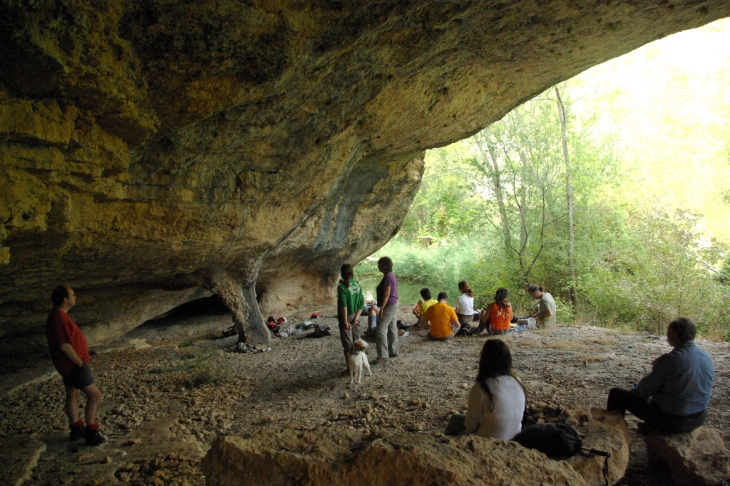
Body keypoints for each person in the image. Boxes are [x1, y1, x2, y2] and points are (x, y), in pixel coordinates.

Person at [606, 317, 714, 434]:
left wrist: (636, 389)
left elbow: (642, 392)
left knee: (617, 394)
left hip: (673, 421)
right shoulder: (706, 357)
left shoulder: (670, 360)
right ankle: (651, 427)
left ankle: (613, 432)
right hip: (698, 418)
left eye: (668, 331)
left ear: (673, 334)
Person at [45, 285, 106, 446]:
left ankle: (76, 428)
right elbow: (64, 345)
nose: (75, 297)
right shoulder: (60, 318)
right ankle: (91, 432)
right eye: (73, 295)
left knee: (72, 393)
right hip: (73, 365)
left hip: (67, 365)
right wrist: (80, 363)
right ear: (65, 300)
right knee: (95, 396)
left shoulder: (57, 315)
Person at [444, 339, 526, 440]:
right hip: (514, 437)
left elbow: (470, 427)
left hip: (487, 442)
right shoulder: (517, 380)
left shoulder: (481, 389)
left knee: (455, 423)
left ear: (484, 360)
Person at [337, 264, 365, 375]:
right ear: (352, 273)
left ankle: (351, 370)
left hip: (346, 316)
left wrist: (345, 321)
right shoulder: (357, 285)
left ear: (342, 274)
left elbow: (343, 306)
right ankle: (359, 366)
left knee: (348, 345)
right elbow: (362, 303)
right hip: (355, 315)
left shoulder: (342, 288)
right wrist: (357, 318)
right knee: (357, 341)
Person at [375, 257, 399, 363]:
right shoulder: (389, 275)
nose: (378, 266)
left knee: (380, 331)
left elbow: (386, 294)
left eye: (379, 264)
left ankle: (383, 355)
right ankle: (393, 351)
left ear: (384, 266)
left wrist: (382, 309)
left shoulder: (388, 277)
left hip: (389, 305)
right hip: (393, 304)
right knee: (392, 327)